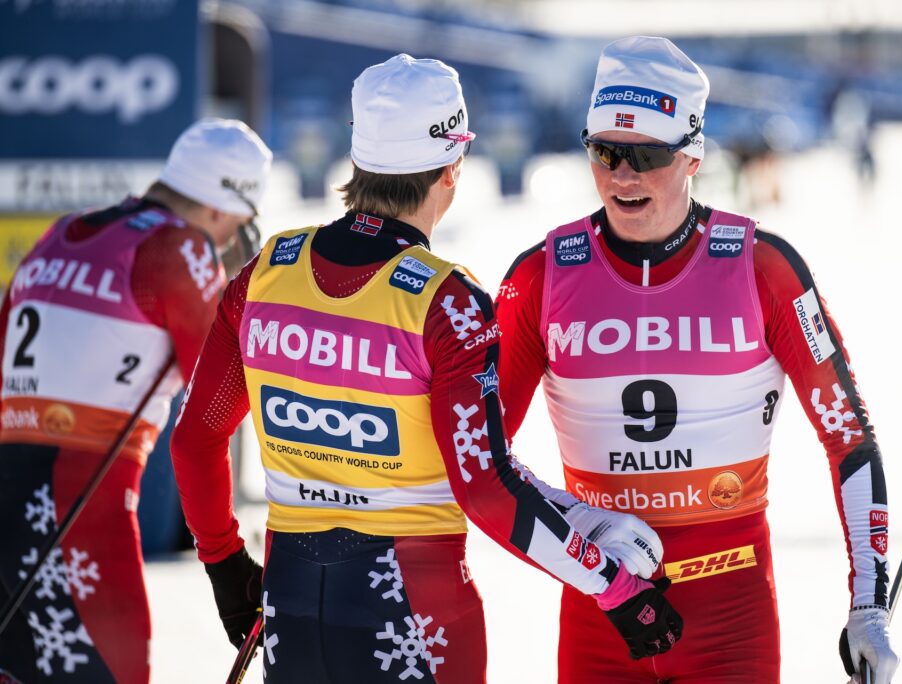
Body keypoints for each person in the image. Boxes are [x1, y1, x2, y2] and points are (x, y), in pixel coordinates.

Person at [169, 54, 682, 683]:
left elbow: (196, 438)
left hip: (294, 609)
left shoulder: (268, 270)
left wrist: (225, 566)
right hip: (416, 622)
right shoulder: (448, 303)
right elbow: (485, 486)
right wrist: (616, 589)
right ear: (452, 168)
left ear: (357, 161)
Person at [495, 36, 900, 684]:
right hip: (601, 620)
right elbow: (477, 457)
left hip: (731, 619)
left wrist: (867, 602)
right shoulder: (541, 275)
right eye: (604, 151)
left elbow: (849, 439)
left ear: (692, 155)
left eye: (646, 154)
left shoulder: (763, 267)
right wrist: (583, 528)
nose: (621, 175)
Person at [0, 119, 272, 683]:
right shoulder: (180, 248)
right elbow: (226, 403)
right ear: (223, 209)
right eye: (237, 230)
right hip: (79, 510)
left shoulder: (62, 232)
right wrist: (226, 557)